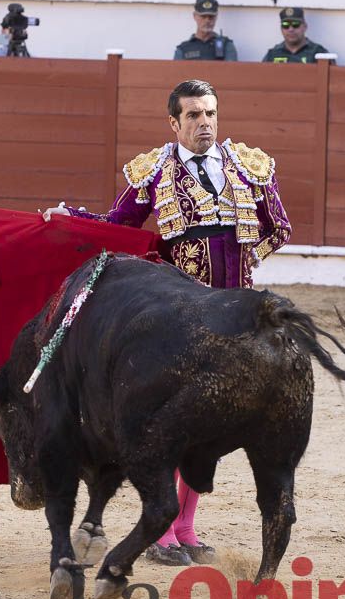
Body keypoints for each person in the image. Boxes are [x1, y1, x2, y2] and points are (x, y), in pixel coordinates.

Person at [41, 78, 291, 566]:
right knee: (174, 420)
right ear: (174, 122)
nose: (205, 123)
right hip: (176, 320)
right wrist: (70, 217)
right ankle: (162, 530)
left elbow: (278, 227)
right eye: (194, 115)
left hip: (233, 312)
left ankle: (185, 526)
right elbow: (117, 227)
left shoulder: (250, 166)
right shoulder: (154, 171)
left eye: (210, 113)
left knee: (213, 419)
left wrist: (244, 265)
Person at [173, 0, 238, 62]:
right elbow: (176, 71)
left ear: (216, 17)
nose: (207, 21)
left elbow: (231, 71)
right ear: (195, 16)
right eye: (203, 16)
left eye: (211, 17)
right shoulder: (183, 49)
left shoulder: (226, 46)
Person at [261, 7, 330, 64]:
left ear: (305, 27)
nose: (291, 29)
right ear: (281, 29)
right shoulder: (273, 54)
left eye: (295, 24)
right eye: (285, 25)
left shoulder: (318, 53)